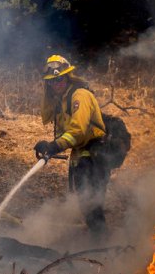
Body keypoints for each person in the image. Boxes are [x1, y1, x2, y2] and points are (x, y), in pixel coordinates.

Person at [34, 54, 110, 237]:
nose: (55, 84)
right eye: (51, 81)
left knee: (91, 201)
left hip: (96, 152)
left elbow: (78, 131)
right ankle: (98, 237)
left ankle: (104, 244)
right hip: (82, 152)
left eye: (59, 79)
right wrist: (49, 145)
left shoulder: (80, 96)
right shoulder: (62, 99)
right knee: (85, 200)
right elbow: (57, 124)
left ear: (67, 76)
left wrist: (55, 146)